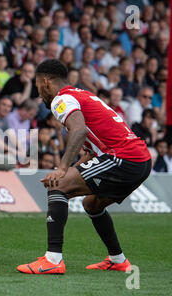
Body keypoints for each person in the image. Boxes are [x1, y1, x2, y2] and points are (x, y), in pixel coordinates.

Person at [17, 59, 151, 275]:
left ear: (46, 81)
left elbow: (78, 131)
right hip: (139, 160)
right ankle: (118, 260)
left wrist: (62, 169)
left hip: (124, 157)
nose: (39, 92)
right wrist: (70, 172)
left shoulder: (61, 100)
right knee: (92, 204)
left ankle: (52, 260)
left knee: (57, 186)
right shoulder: (83, 95)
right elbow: (90, 152)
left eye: (38, 85)